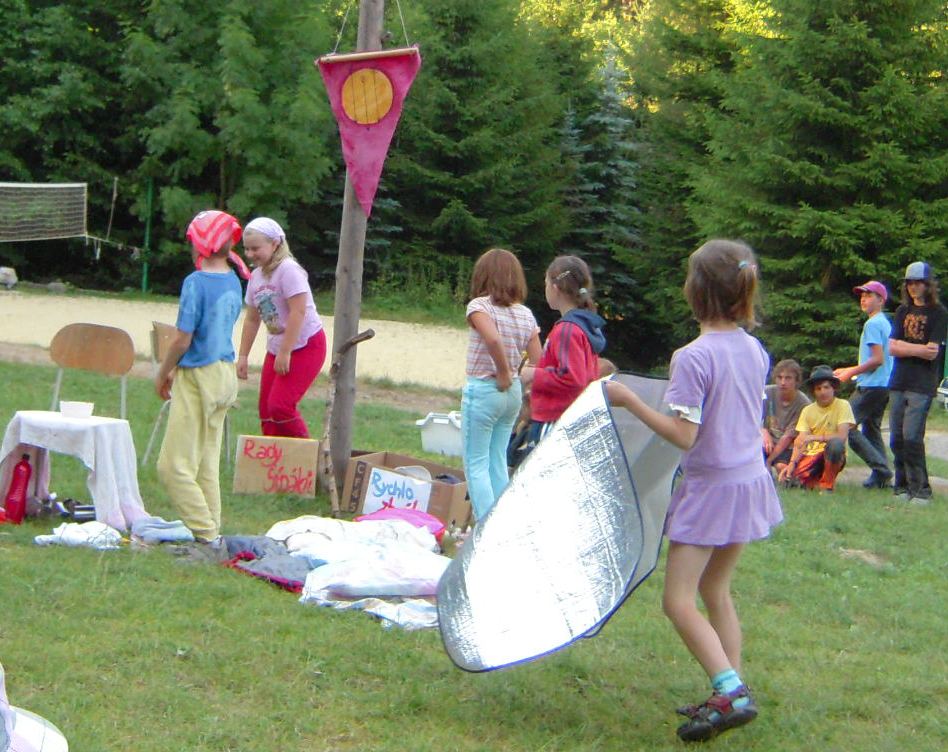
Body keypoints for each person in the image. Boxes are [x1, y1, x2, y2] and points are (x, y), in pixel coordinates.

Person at [605, 239, 782, 743]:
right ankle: (733, 687)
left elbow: (684, 436)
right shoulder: (754, 349)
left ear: (695, 290)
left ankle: (730, 691)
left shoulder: (692, 357)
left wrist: (628, 400)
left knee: (678, 600)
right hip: (748, 481)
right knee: (715, 590)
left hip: (711, 491)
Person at [155, 210, 249, 544]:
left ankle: (206, 534)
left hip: (199, 376)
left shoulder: (195, 283)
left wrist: (163, 372)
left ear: (199, 243)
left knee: (173, 467)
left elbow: (183, 339)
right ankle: (213, 533)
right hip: (225, 375)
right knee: (206, 463)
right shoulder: (233, 279)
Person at [462, 248, 542, 521]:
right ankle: (502, 520)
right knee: (497, 458)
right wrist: (515, 373)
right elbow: (538, 358)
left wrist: (503, 371)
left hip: (485, 388)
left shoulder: (479, 307)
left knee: (476, 463)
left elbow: (493, 339)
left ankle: (484, 526)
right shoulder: (525, 314)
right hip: (512, 394)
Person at [236, 217, 326, 438]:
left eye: (256, 248)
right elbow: (252, 319)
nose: (250, 254)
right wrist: (243, 356)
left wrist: (286, 352)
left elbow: (298, 312)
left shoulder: (289, 270)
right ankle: (273, 456)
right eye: (246, 249)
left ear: (274, 244)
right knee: (266, 412)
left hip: (305, 345)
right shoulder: (256, 276)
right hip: (277, 347)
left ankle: (307, 454)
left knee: (280, 406)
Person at [520, 255, 606, 447]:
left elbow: (571, 378)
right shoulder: (583, 326)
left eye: (545, 283)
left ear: (555, 288)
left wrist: (533, 374)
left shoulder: (567, 330)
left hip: (555, 420)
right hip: (571, 417)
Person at [887, 261, 948, 504]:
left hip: (922, 384)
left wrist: (905, 347)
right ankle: (901, 487)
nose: (913, 287)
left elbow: (932, 352)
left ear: (928, 285)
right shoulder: (902, 311)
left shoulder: (939, 313)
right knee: (896, 438)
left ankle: (921, 490)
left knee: (912, 436)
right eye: (909, 283)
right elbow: (891, 347)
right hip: (898, 380)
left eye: (918, 283)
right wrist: (918, 349)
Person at [833, 281, 893, 488]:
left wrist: (850, 373)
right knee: (871, 429)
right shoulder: (884, 323)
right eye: (862, 296)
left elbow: (877, 360)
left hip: (872, 385)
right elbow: (878, 359)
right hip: (884, 384)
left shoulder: (873, 324)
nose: (863, 299)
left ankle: (882, 470)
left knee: (846, 425)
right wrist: (848, 368)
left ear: (881, 300)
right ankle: (880, 478)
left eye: (869, 296)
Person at [777, 365, 855, 492]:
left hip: (831, 453)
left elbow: (842, 436)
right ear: (813, 391)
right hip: (810, 455)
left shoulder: (843, 405)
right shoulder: (807, 410)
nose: (823, 392)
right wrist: (792, 463)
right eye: (818, 388)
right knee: (790, 481)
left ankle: (827, 485)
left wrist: (814, 437)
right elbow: (801, 441)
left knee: (835, 445)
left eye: (826, 387)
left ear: (833, 388)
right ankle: (810, 481)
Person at [761, 359, 809, 473]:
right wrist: (763, 431)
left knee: (781, 467)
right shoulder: (766, 393)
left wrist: (769, 461)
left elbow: (787, 437)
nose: (783, 382)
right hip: (766, 441)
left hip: (788, 446)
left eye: (788, 378)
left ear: (796, 381)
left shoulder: (803, 404)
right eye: (779, 377)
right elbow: (752, 418)